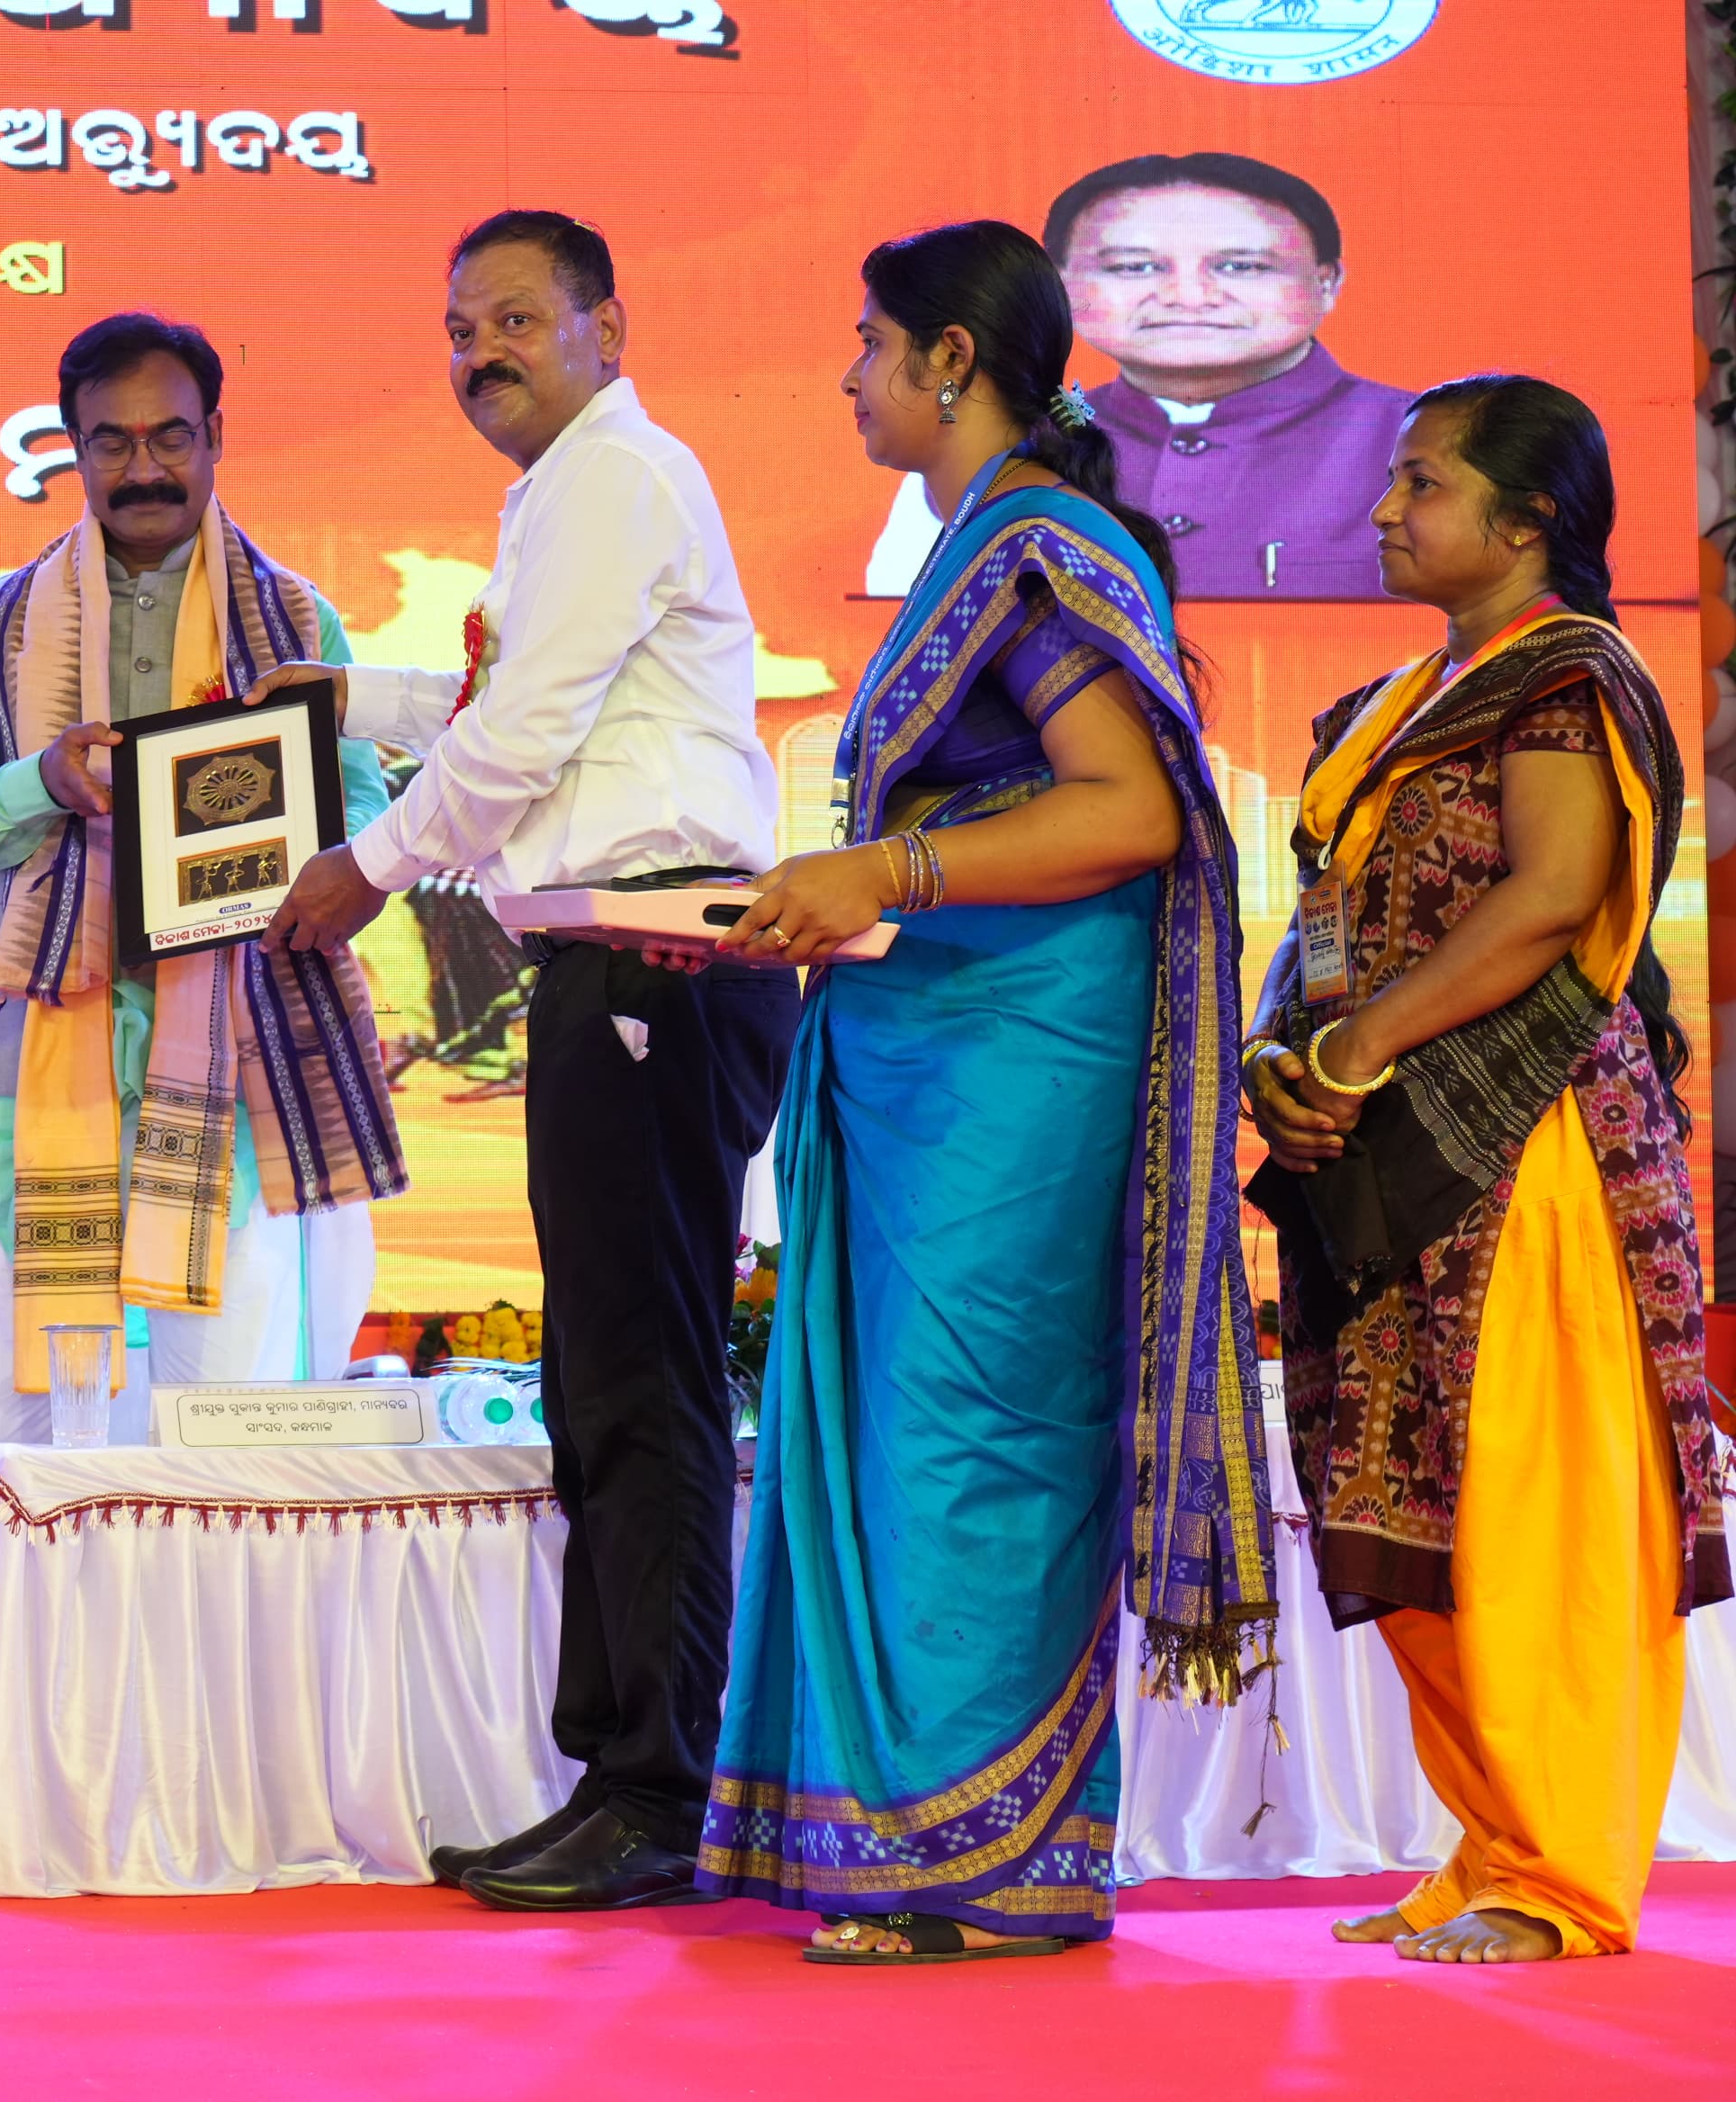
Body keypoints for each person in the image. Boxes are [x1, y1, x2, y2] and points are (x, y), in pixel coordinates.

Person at [693, 220, 1271, 1965]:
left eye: (869, 343)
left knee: (976, 1422)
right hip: (928, 1040)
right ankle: (892, 1837)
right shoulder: (975, 544)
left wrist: (888, 875)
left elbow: (1134, 808)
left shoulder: (1042, 546)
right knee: (895, 1422)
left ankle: (991, 1862)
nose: (846, 375)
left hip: (1020, 1050)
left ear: (950, 359)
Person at [252, 211, 796, 1912]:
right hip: (609, 953)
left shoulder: (616, 476)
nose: (478, 352)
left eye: (512, 319)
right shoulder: (568, 490)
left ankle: (658, 1793)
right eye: (457, 328)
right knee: (608, 1376)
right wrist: (348, 698)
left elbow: (532, 730)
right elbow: (530, 701)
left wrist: (366, 865)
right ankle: (621, 1773)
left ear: (604, 329)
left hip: (652, 955)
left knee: (638, 1380)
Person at [1247, 375, 1723, 1964]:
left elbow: (1550, 895)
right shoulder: (1389, 704)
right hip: (1385, 1155)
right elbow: (1330, 918)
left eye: (1422, 483)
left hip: (1527, 1150)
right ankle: (1492, 1844)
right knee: (1415, 1508)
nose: (1385, 510)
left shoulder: (1568, 676)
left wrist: (1351, 1050)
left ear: (1527, 522)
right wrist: (1280, 1059)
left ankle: (1562, 1877)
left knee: (1534, 1505)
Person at [0, 311, 398, 1451]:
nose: (143, 468)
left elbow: (368, 814)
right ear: (73, 449)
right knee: (25, 1435)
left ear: (214, 434)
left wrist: (312, 866)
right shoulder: (5, 623)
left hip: (235, 1058)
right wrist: (40, 781)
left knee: (217, 1432)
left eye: (169, 436)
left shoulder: (296, 619)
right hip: (38, 1069)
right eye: (110, 442)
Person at [865, 154, 1408, 598]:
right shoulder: (1000, 447)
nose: (1188, 297)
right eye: (1135, 266)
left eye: (1240, 266)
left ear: (1327, 283)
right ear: (1063, 286)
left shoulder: (1411, 435)